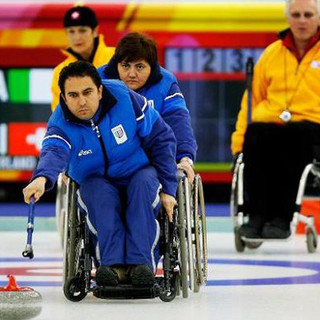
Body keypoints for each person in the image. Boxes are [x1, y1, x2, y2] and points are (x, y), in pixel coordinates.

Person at [23, 61, 177, 287]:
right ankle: (112, 265)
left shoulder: (125, 99)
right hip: (95, 178)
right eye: (73, 95)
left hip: (137, 171)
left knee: (144, 186)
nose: (82, 101)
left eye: (87, 92)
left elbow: (161, 138)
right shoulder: (60, 122)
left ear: (100, 90)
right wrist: (41, 178)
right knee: (96, 193)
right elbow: (54, 151)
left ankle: (141, 265)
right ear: (64, 98)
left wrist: (169, 189)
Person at [231, 0, 320, 239]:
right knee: (255, 133)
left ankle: (282, 217)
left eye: (308, 14)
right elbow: (250, 100)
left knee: (295, 135)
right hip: (274, 123)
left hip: (312, 126)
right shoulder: (272, 53)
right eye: (297, 14)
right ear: (288, 18)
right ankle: (256, 217)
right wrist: (238, 144)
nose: (302, 20)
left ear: (318, 17)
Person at [97, 32, 197, 185]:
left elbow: (178, 120)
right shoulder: (98, 81)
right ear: (116, 65)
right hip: (107, 162)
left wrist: (185, 158)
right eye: (125, 66)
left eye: (139, 67)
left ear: (151, 66)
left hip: (151, 164)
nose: (131, 74)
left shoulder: (166, 82)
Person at [51, 5, 114, 111]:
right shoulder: (60, 71)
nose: (77, 37)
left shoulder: (116, 57)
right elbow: (60, 114)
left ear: (95, 31)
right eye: (71, 31)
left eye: (82, 30)